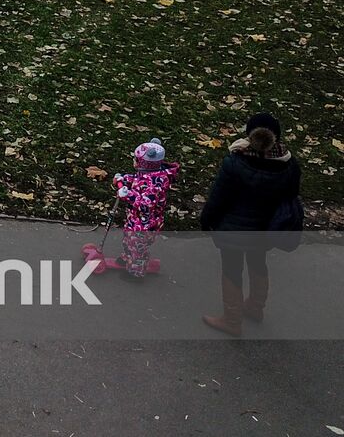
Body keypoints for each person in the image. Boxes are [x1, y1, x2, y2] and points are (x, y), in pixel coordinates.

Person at [199, 112, 301, 336]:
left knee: (232, 270)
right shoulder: (289, 165)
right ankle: (255, 307)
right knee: (258, 263)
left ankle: (232, 320)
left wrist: (207, 220)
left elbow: (219, 196)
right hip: (265, 229)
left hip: (232, 229)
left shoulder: (235, 162)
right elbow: (291, 194)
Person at [112, 138, 178, 278]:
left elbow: (146, 204)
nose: (134, 161)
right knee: (129, 240)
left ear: (143, 163)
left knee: (138, 247)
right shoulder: (147, 174)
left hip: (146, 224)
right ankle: (127, 257)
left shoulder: (155, 184)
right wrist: (123, 179)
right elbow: (137, 180)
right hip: (136, 220)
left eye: (136, 159)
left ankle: (135, 272)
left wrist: (127, 194)